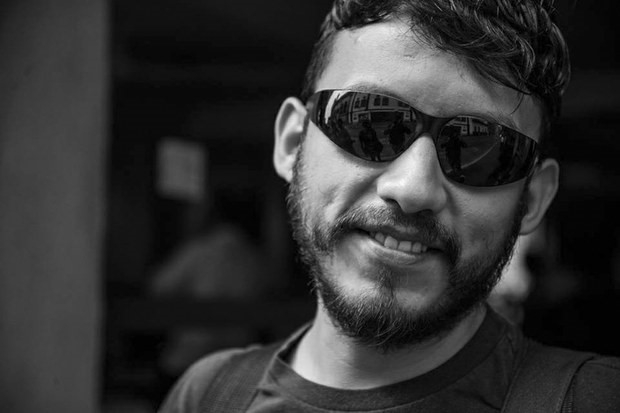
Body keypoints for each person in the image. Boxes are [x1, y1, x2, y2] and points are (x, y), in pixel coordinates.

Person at [158, 1, 620, 412]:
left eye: (481, 152)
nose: (413, 189)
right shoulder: (207, 395)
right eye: (372, 125)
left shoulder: (595, 399)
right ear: (293, 143)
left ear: (533, 199)